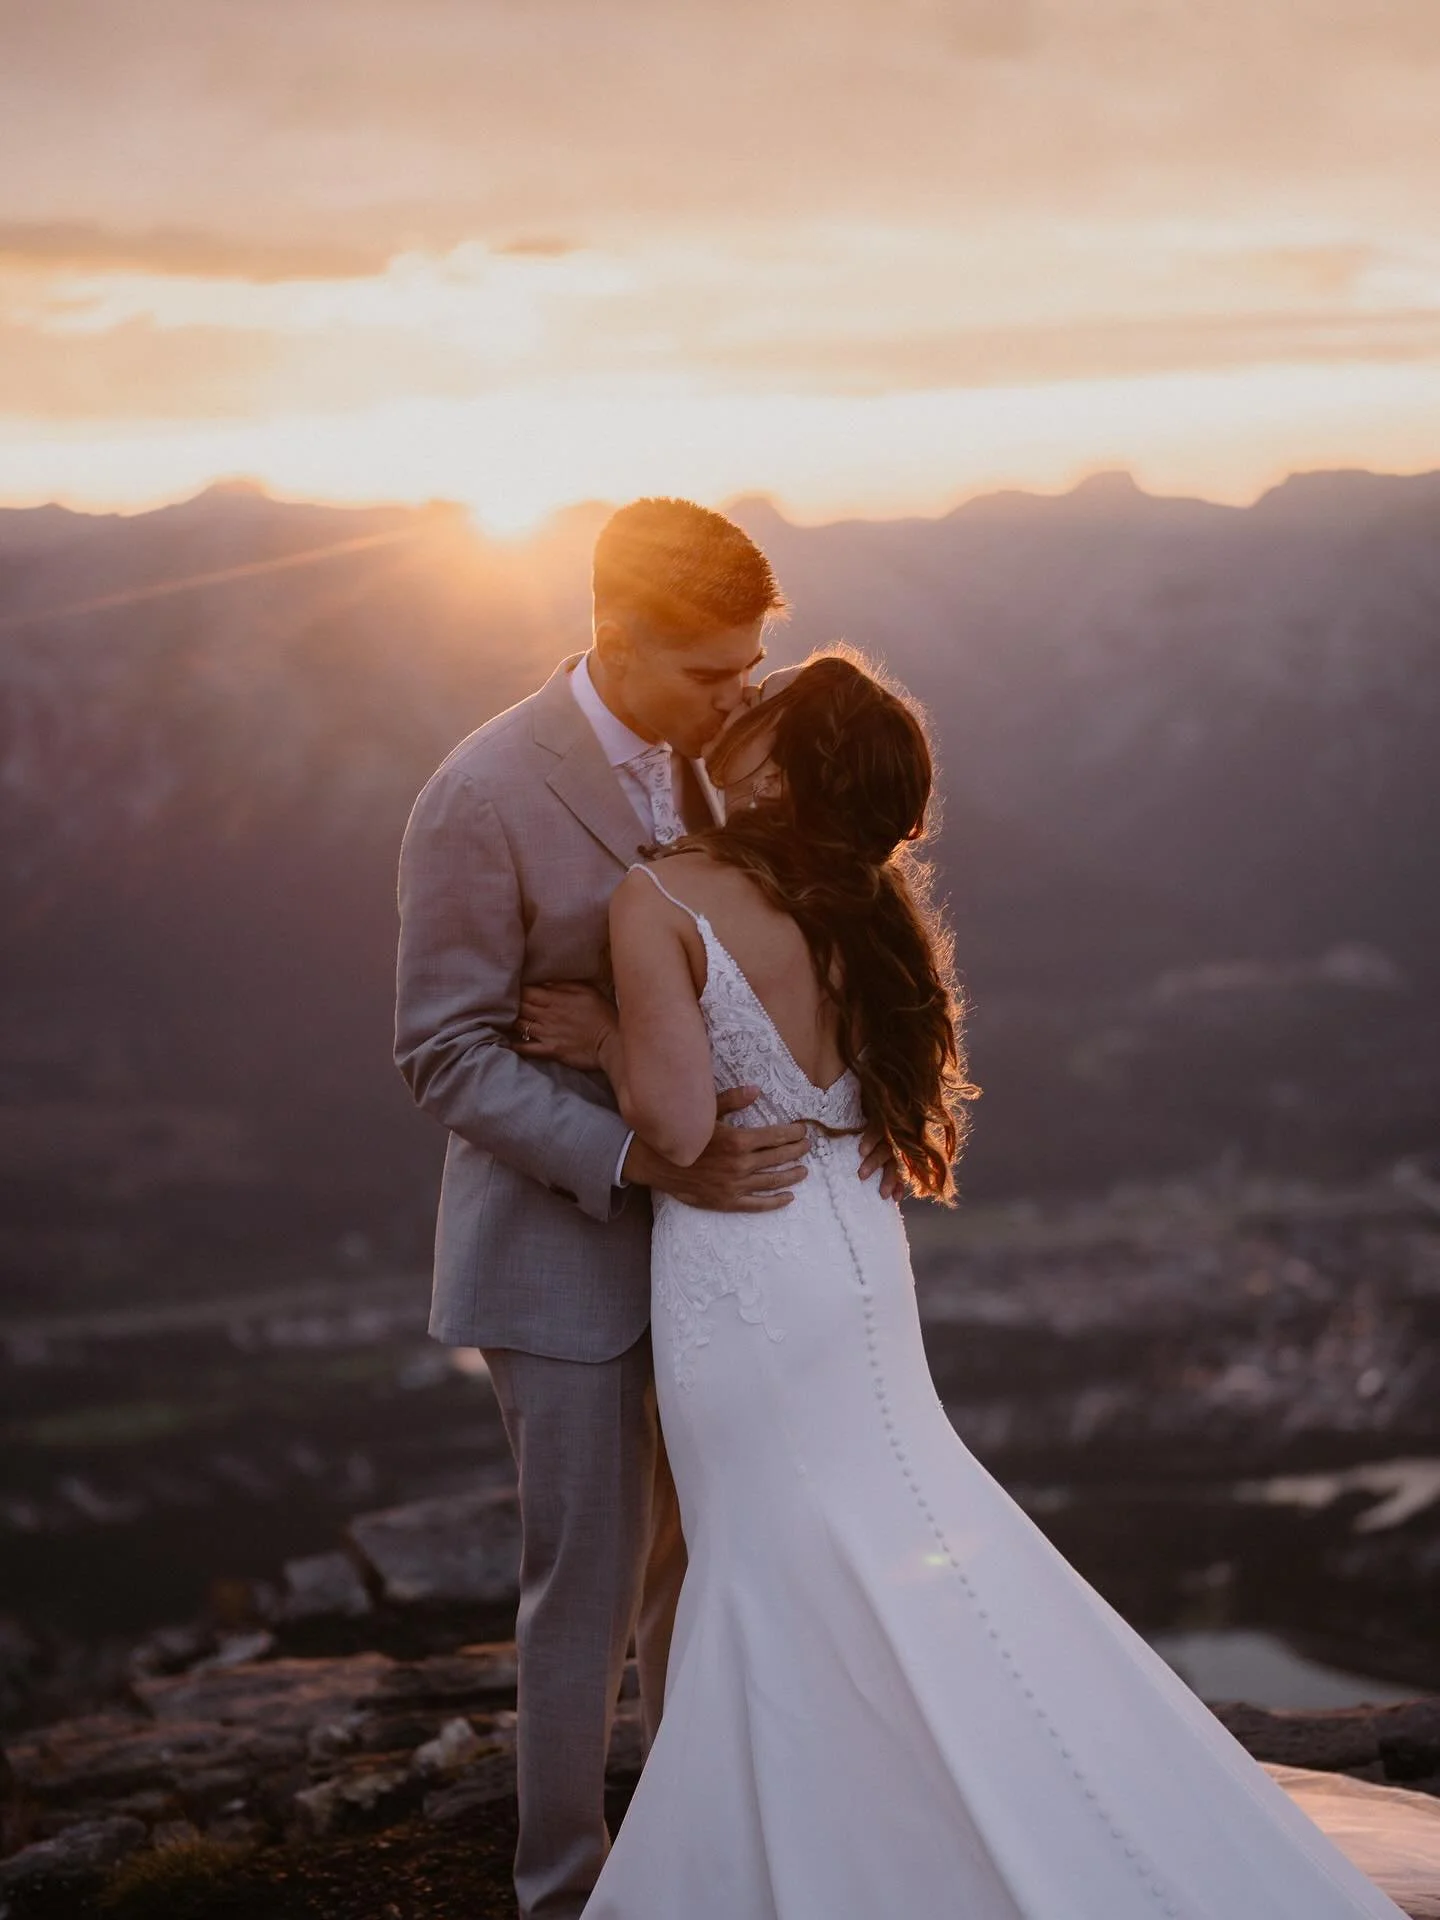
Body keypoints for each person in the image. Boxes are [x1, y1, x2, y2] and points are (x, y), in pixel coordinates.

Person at [514, 652, 1409, 1919]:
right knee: (889, 1515)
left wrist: (604, 1035)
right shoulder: (867, 907)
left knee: (764, 1555)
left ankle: (820, 1844)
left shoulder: (661, 895)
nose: (744, 706)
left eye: (767, 703)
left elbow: (672, 1124)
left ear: (783, 761)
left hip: (743, 1265)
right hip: (855, 1261)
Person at [393, 502, 897, 1920]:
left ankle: (690, 1865)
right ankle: (563, 1890)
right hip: (561, 1259)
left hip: (729, 1260)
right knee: (590, 1588)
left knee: (706, 1569)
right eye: (709, 673)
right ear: (616, 639)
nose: (740, 699)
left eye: (751, 668)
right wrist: (643, 1157)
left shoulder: (730, 767)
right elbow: (443, 1053)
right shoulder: (480, 794)